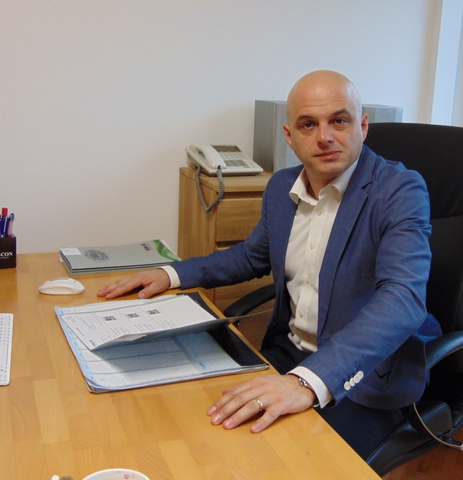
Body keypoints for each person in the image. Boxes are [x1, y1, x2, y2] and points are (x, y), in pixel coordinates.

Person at [98, 70, 441, 459]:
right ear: (289, 136)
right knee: (200, 421)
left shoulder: (399, 190)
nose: (325, 137)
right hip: (289, 352)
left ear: (362, 126)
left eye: (339, 121)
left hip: (364, 376)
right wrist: (171, 273)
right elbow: (249, 257)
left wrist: (308, 380)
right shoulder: (282, 188)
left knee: (291, 461)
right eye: (308, 125)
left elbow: (403, 298)